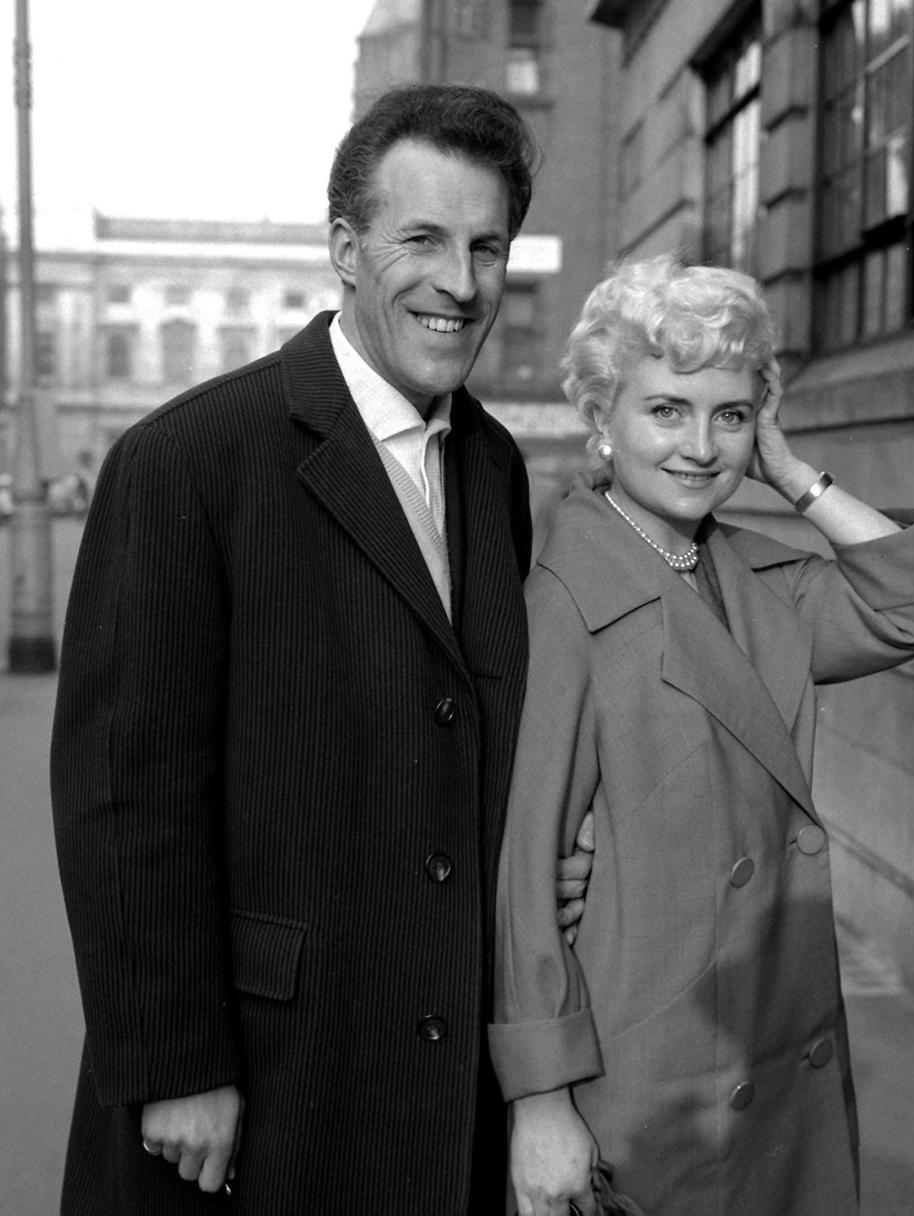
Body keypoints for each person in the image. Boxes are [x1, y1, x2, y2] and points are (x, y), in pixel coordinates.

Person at [50, 84, 592, 1216]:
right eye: (423, 240)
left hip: (440, 1077)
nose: (460, 281)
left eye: (486, 246)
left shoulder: (493, 471)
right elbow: (122, 791)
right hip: (259, 1077)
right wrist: (172, 1061)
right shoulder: (185, 460)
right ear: (345, 249)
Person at [488, 256, 914, 1216]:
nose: (701, 446)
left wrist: (788, 470)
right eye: (665, 410)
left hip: (773, 1042)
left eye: (730, 416)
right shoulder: (564, 603)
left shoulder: (755, 580)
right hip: (648, 1073)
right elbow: (524, 879)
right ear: (600, 418)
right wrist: (541, 1105)